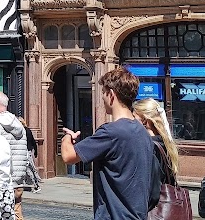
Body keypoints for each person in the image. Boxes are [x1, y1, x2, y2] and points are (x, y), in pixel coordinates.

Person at [61, 67, 156, 220]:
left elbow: (68, 156)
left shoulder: (111, 132)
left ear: (111, 95)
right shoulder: (141, 131)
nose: (103, 99)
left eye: (103, 94)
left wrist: (67, 138)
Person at [0, 91, 28, 220]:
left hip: (6, 177)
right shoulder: (16, 121)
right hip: (18, 176)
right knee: (16, 211)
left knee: (1, 213)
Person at [133, 98, 178, 187]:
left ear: (145, 121)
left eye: (134, 118)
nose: (131, 122)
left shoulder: (150, 146)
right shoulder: (165, 142)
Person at [17, 117, 41, 193]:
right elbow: (33, 141)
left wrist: (35, 150)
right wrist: (35, 150)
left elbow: (32, 141)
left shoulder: (22, 131)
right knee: (30, 167)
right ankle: (35, 182)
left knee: (28, 168)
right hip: (27, 151)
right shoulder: (26, 130)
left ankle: (36, 183)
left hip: (25, 151)